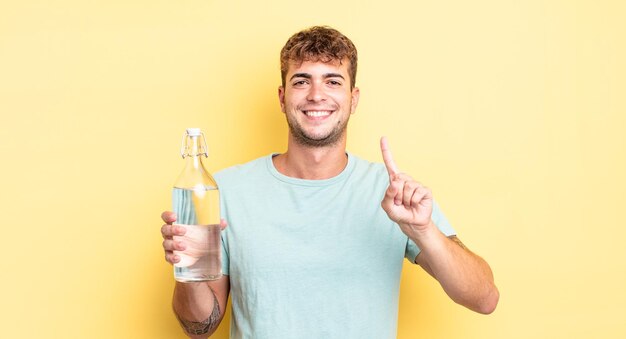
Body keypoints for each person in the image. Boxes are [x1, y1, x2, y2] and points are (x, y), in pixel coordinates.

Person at [160, 26, 499, 339]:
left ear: (353, 99)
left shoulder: (394, 194)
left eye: (333, 81)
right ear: (282, 97)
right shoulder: (226, 191)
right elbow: (200, 327)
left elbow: (484, 298)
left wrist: (424, 231)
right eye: (302, 81)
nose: (316, 95)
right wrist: (187, 267)